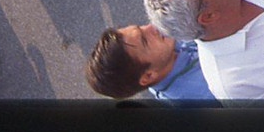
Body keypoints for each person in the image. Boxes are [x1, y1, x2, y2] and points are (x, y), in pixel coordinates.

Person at [86, 24, 218, 102]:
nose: (152, 27)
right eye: (145, 40)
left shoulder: (168, 50)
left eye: (141, 27)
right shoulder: (204, 95)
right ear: (148, 76)